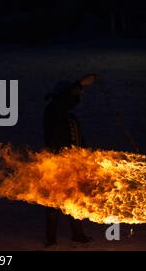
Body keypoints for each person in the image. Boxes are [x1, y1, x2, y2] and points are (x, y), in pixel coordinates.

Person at [43, 74, 97, 247]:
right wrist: (80, 84)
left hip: (74, 165)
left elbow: (80, 140)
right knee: (54, 201)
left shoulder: (71, 118)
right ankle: (51, 239)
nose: (74, 100)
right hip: (57, 165)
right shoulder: (52, 112)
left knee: (75, 198)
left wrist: (85, 158)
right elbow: (61, 102)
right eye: (71, 96)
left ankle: (77, 234)